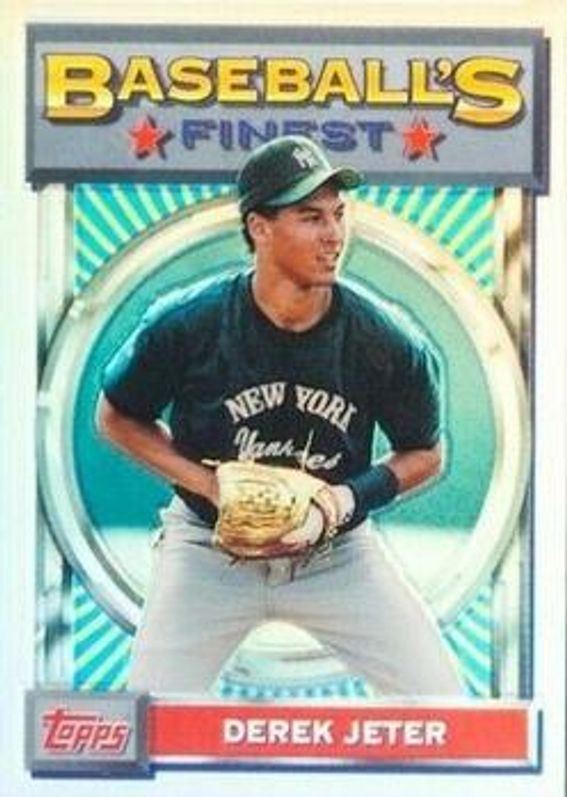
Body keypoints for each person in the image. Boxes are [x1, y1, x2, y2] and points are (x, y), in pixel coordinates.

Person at [97, 135, 464, 696]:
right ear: (259, 227)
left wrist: (340, 502)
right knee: (149, 719)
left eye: (339, 214)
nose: (334, 233)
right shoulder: (189, 323)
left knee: (442, 705)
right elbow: (116, 417)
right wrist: (208, 486)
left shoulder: (385, 339)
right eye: (311, 217)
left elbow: (427, 453)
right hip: (207, 547)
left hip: (336, 553)